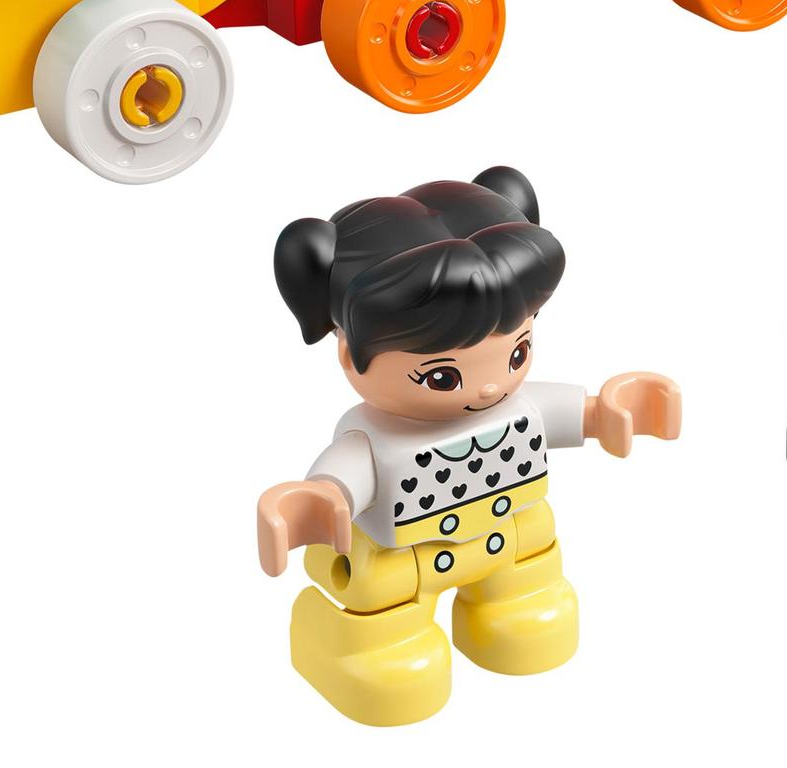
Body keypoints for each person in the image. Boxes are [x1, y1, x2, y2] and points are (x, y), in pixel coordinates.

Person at [256, 167, 678, 726]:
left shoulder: (519, 408)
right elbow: (340, 481)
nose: (489, 387)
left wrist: (608, 411)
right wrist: (321, 500)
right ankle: (377, 645)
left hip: (514, 541)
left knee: (530, 603)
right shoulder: (373, 440)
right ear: (348, 353)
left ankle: (513, 605)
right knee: (392, 643)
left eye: (517, 353)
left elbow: (575, 414)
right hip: (404, 564)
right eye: (442, 376)